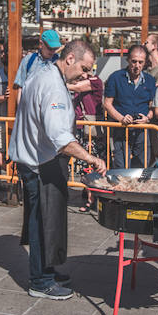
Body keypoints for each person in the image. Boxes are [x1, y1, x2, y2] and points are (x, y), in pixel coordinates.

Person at [9, 39, 106, 300]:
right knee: (42, 222)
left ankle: (47, 269)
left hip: (35, 158)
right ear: (71, 58)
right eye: (85, 69)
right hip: (39, 162)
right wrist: (91, 158)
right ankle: (40, 280)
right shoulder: (52, 85)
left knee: (47, 220)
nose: (86, 76)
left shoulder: (46, 73)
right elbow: (59, 137)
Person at [103, 45, 156, 169]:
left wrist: (147, 118)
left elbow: (153, 106)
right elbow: (107, 103)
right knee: (122, 168)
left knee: (141, 168)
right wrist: (121, 118)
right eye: (134, 61)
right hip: (121, 130)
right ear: (128, 60)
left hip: (142, 130)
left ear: (145, 63)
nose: (137, 65)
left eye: (140, 62)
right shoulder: (115, 77)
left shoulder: (150, 80)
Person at [68, 65, 104, 213]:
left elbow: (77, 88)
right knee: (84, 167)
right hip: (81, 130)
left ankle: (92, 200)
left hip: (92, 131)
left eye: (84, 70)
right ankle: (90, 196)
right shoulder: (78, 83)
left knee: (92, 166)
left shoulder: (95, 81)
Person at [13, 29, 62, 104]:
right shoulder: (28, 60)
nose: (52, 51)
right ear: (41, 44)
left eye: (55, 49)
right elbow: (21, 88)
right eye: (50, 48)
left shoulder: (60, 62)